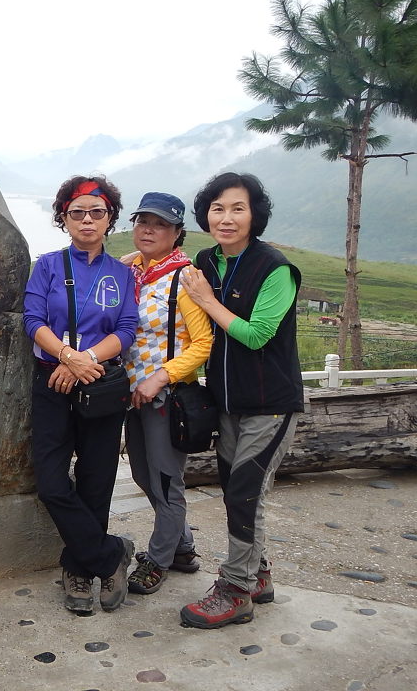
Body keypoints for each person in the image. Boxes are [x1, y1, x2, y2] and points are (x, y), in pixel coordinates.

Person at [178, 172, 303, 629]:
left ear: (254, 216)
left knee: (245, 492)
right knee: (236, 492)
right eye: (218, 208)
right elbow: (174, 271)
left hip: (271, 404)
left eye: (238, 208)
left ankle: (235, 590)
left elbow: (256, 335)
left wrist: (208, 300)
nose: (226, 218)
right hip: (227, 402)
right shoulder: (207, 260)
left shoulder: (275, 269)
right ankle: (258, 575)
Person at [23, 175, 139, 614]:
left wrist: (84, 360)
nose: (87, 220)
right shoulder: (48, 266)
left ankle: (78, 568)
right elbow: (33, 320)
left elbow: (125, 330)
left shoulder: (122, 274)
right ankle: (110, 555)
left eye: (97, 212)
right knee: (52, 484)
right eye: (77, 213)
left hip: (101, 383)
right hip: (52, 380)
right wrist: (68, 358)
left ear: (110, 219)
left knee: (97, 480)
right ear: (64, 218)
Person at [122, 192, 213, 596]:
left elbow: (203, 343)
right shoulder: (135, 272)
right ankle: (183, 548)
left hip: (166, 396)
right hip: (132, 394)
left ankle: (157, 561)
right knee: (143, 476)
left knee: (164, 481)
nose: (149, 230)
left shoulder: (185, 279)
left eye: (160, 224)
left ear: (177, 233)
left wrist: (160, 378)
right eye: (143, 221)